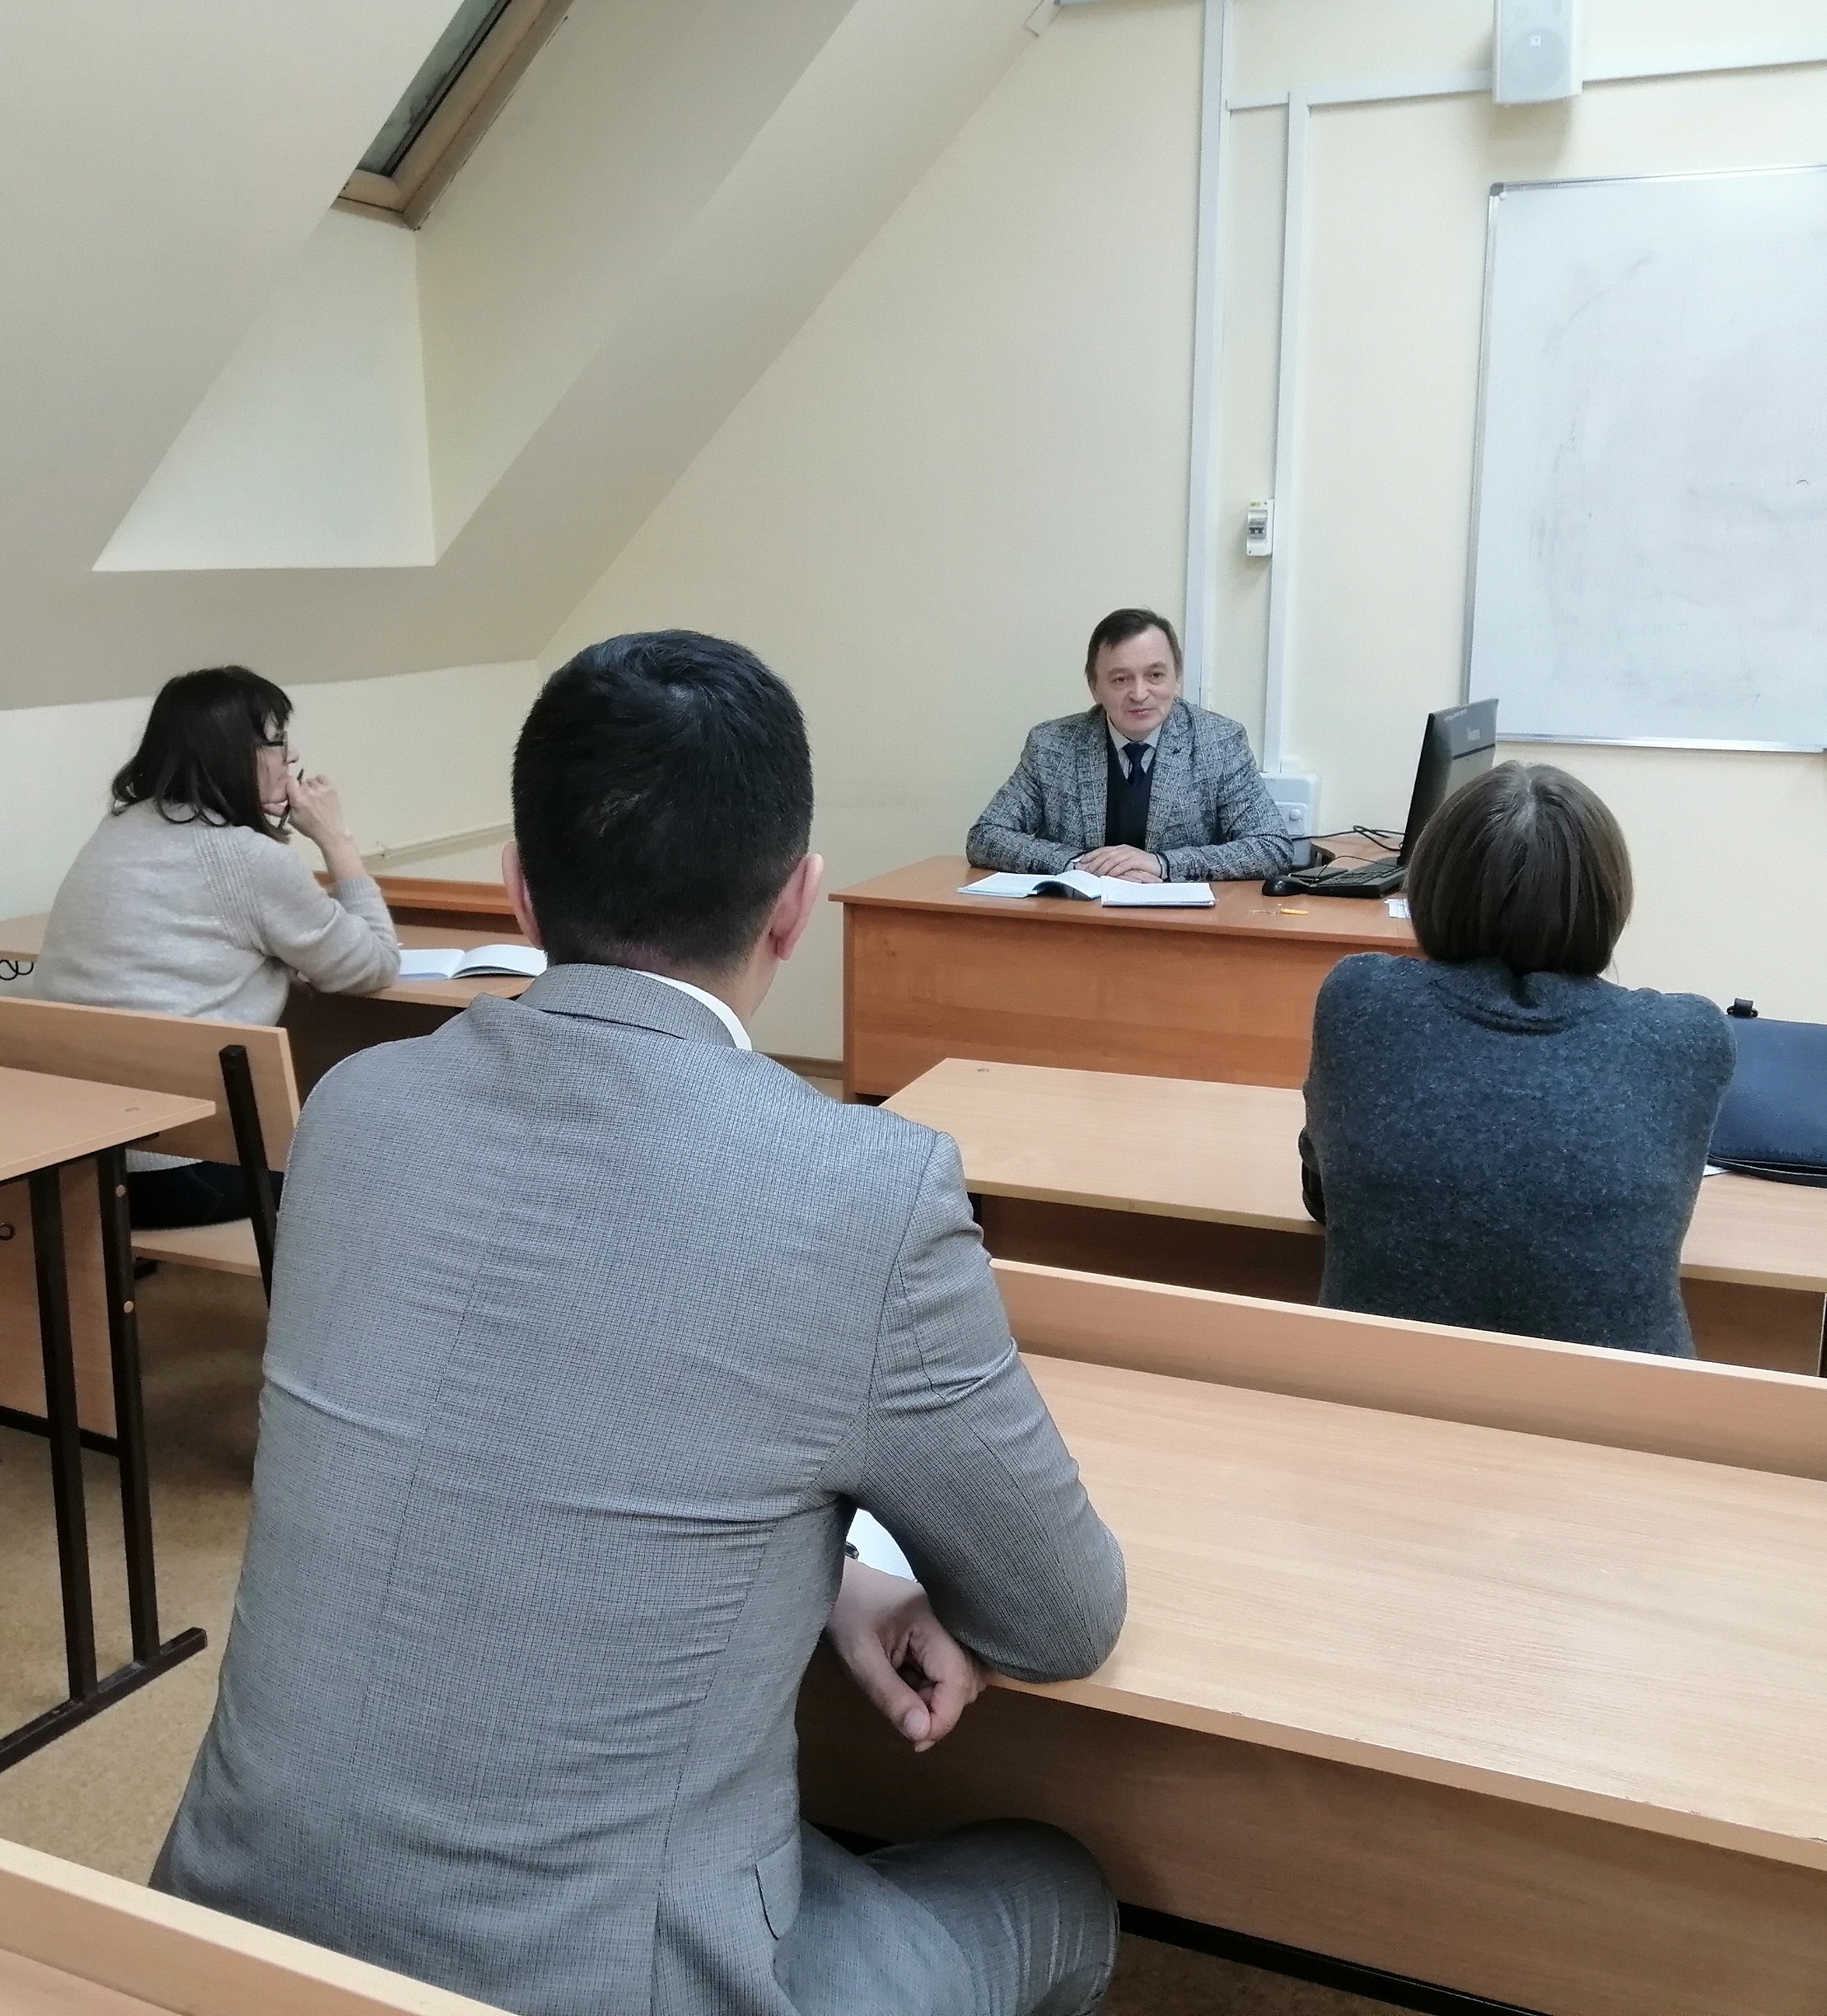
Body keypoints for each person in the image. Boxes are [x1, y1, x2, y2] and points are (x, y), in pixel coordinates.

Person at [154, 631, 1128, 2016]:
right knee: (1056, 1880)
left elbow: (509, 1421)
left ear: (517, 883)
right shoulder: (861, 1186)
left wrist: (817, 1579)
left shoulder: (355, 1113)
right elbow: (1062, 1616)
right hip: (611, 1982)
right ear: (796, 905)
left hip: (226, 1933)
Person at [1300, 763, 1732, 1356]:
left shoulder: (1358, 998)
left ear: (1432, 887)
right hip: (1621, 1406)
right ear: (1609, 898)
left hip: (1377, 1392)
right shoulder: (1688, 1036)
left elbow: (1323, 1195)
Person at [35, 665, 400, 1228]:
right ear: (235, 753)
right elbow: (375, 965)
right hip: (183, 1171)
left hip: (79, 1163)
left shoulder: (119, 829)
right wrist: (337, 839)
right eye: (277, 741)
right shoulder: (246, 859)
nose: (292, 756)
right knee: (384, 1153)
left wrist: (272, 962)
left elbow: (192, 944)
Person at [966, 607, 1302, 884]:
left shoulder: (1220, 741)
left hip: (1181, 928)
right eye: (1121, 679)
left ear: (1177, 678)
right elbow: (986, 836)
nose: (1139, 694)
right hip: (1076, 925)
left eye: (1155, 675)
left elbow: (1272, 847)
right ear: (1094, 687)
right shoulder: (1052, 746)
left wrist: (1163, 864)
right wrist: (1079, 864)